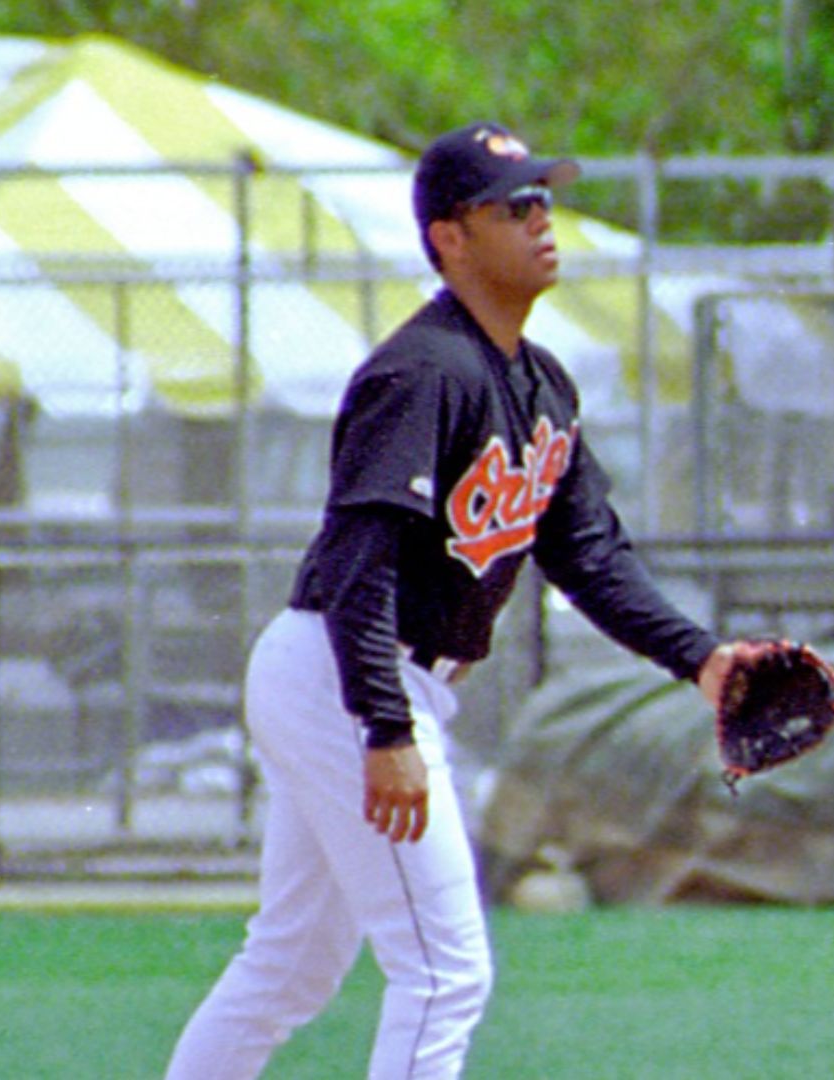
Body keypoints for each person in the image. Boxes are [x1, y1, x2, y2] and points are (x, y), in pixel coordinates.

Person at [166, 121, 743, 1079]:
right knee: (444, 972)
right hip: (347, 674)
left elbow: (590, 554)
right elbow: (361, 555)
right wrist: (384, 730)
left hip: (356, 679)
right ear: (450, 237)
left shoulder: (541, 384)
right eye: (513, 205)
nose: (542, 218)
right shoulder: (424, 372)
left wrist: (704, 658)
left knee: (293, 968)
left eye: (545, 198)